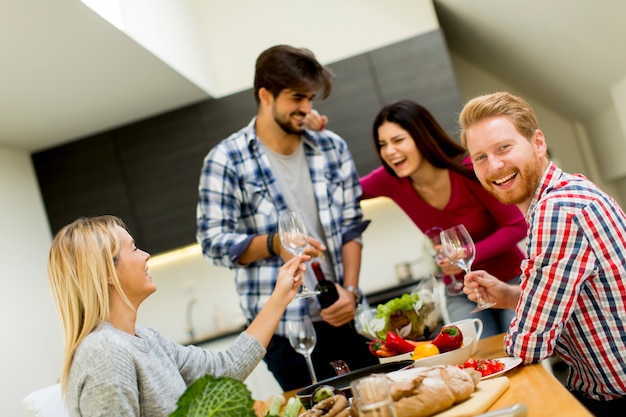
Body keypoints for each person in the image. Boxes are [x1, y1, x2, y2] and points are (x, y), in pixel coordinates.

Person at [196, 45, 378, 391]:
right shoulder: (226, 160)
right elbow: (212, 243)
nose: (307, 109)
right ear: (266, 95)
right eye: (297, 98)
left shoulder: (331, 147)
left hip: (345, 313)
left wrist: (350, 292)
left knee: (381, 403)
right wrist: (273, 244)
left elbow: (352, 225)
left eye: (310, 99)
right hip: (283, 330)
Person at [458, 91, 626, 415]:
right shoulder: (569, 189)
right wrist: (509, 296)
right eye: (480, 157)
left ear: (537, 142)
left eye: (503, 148)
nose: (494, 165)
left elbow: (528, 344)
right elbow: (578, 293)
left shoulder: (556, 210)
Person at [48, 215, 306, 416]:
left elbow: (223, 369)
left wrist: (281, 295)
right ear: (106, 272)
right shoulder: (104, 352)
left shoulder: (146, 339)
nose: (146, 255)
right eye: (134, 249)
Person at [358, 99, 527, 337]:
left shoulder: (468, 170)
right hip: (461, 292)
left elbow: (517, 226)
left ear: (422, 137)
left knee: (521, 352)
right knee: (476, 358)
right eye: (382, 144)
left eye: (398, 140)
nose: (389, 151)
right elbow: (343, 191)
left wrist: (469, 253)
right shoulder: (389, 180)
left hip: (511, 282)